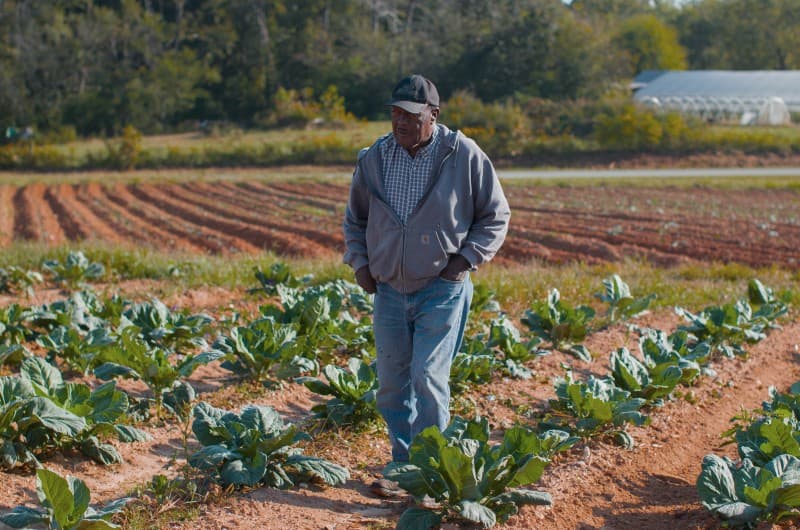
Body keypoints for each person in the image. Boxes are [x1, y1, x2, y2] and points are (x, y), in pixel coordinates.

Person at [342, 74, 510, 497]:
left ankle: (428, 470)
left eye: (411, 115)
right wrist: (361, 263)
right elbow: (355, 219)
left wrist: (464, 261)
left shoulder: (463, 155)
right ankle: (403, 466)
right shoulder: (374, 158)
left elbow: (495, 215)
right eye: (395, 113)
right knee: (392, 383)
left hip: (441, 287)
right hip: (389, 291)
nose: (400, 122)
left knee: (428, 378)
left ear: (433, 115)